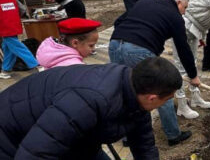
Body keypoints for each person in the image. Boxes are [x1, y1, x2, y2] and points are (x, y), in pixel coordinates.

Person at [0, 57, 180, 159]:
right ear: (153, 97)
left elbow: (144, 145)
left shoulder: (136, 92)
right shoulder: (88, 100)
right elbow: (35, 154)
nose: (166, 104)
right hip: (10, 137)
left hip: (74, 140)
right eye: (168, 99)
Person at [109, 0, 199, 145]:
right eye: (185, 8)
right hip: (138, 49)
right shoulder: (175, 17)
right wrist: (193, 75)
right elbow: (183, 49)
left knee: (126, 91)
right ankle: (173, 135)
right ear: (178, 2)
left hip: (115, 44)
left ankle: (127, 137)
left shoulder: (144, 2)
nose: (184, 13)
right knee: (162, 90)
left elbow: (118, 22)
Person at [0, 0, 40, 79]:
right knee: (8, 47)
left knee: (17, 46)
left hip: (4, 26)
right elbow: (22, 9)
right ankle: (6, 69)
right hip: (14, 24)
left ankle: (35, 65)